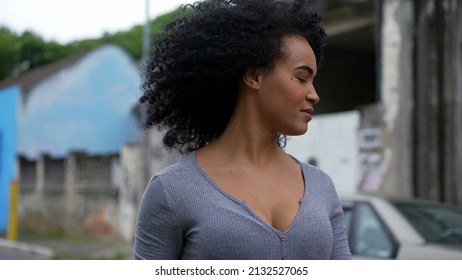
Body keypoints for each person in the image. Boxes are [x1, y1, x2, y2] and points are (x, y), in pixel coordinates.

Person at [134, 0, 351, 260]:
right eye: (302, 78)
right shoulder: (173, 190)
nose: (314, 95)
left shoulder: (321, 186)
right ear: (254, 76)